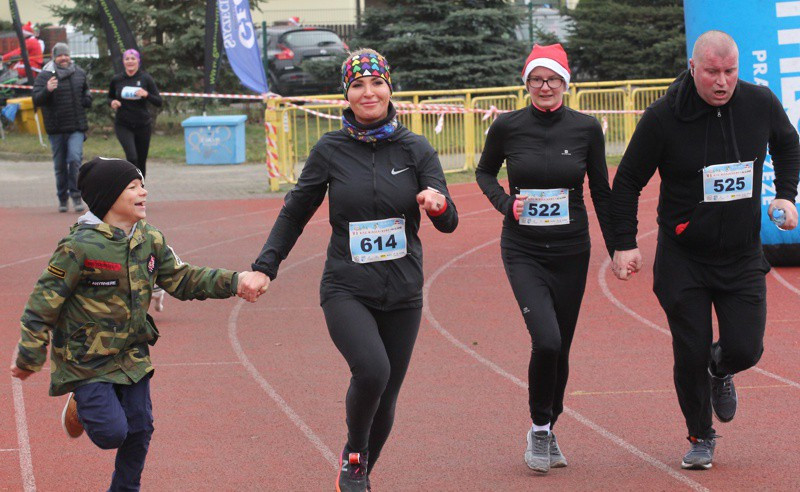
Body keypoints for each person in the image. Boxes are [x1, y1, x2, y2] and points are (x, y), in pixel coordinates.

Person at [238, 49, 458, 491]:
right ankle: (354, 454)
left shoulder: (416, 148)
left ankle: (360, 472)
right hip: (346, 286)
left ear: (389, 87)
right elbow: (294, 212)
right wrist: (265, 267)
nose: (368, 92)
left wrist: (437, 206)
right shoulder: (330, 150)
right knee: (372, 371)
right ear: (346, 93)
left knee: (388, 394)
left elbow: (449, 220)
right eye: (358, 85)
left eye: (376, 83)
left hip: (403, 290)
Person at [9, 156, 261, 491]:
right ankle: (82, 408)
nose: (143, 192)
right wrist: (29, 356)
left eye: (142, 185)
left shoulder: (150, 239)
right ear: (108, 197)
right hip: (86, 359)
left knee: (140, 429)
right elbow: (43, 303)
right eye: (133, 187)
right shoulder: (78, 247)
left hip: (131, 354)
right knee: (112, 433)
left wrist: (235, 281)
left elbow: (183, 279)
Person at [610, 31, 800, 470]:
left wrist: (786, 194)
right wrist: (623, 243)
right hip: (684, 257)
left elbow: (788, 144)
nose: (721, 82)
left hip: (739, 254)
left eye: (729, 72)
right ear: (693, 67)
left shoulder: (760, 102)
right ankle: (700, 435)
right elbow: (627, 182)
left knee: (747, 348)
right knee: (689, 349)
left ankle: (722, 369)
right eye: (712, 72)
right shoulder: (662, 118)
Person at [475, 43, 614, 474]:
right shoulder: (507, 126)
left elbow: (602, 193)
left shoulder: (587, 129)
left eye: (553, 79)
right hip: (523, 251)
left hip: (573, 250)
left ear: (565, 84)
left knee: (562, 348)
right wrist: (504, 203)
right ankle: (538, 429)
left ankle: (549, 425)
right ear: (527, 84)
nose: (545, 87)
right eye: (536, 79)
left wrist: (620, 247)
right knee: (547, 340)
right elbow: (483, 172)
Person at [31, 42, 91, 213]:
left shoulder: (79, 73)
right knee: (59, 166)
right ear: (54, 57)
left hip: (76, 127)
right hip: (56, 128)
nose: (64, 58)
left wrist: (88, 99)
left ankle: (76, 195)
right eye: (60, 55)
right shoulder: (45, 76)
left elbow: (86, 91)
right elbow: (36, 100)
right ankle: (62, 198)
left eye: (66, 55)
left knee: (74, 159)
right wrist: (47, 90)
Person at [108, 49, 163, 177]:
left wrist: (146, 94)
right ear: (123, 62)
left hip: (142, 125)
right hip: (123, 124)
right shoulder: (117, 79)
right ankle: (131, 185)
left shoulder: (145, 78)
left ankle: (140, 189)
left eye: (133, 58)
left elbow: (158, 101)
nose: (130, 61)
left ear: (138, 61)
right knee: (132, 157)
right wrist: (112, 102)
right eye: (127, 59)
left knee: (141, 160)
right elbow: (109, 97)